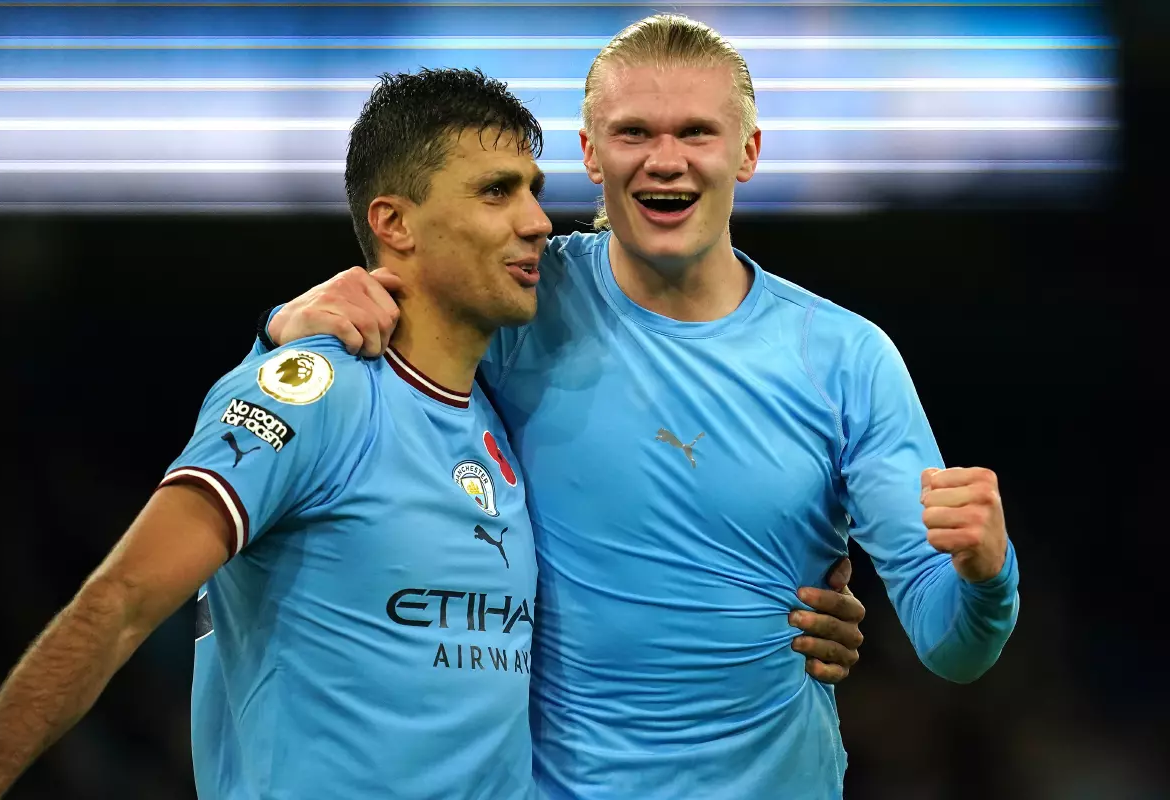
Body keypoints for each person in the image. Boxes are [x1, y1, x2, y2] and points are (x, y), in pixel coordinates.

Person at [258, 14, 1021, 800]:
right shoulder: (521, 304)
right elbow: (346, 361)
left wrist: (987, 572)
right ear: (590, 154)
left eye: (696, 131)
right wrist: (284, 326)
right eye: (633, 133)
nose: (666, 161)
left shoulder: (847, 361)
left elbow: (953, 644)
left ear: (749, 152)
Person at [0, 67, 554, 800]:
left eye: (534, 188)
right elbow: (119, 606)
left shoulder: (503, 421)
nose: (536, 219)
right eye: (497, 191)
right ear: (393, 223)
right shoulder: (318, 394)